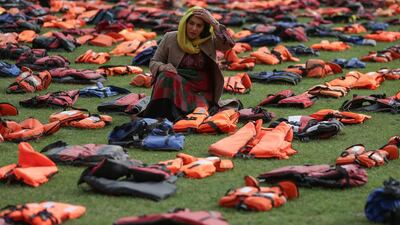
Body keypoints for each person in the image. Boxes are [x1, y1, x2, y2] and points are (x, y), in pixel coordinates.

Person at [142, 6, 235, 122]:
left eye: (199, 26)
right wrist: (163, 66)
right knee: (165, 75)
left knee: (199, 110)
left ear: (204, 28)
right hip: (178, 86)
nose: (194, 29)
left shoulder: (209, 40)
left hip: (202, 92)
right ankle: (159, 115)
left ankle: (178, 112)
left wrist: (214, 22)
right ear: (185, 23)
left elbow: (229, 44)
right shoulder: (170, 38)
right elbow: (154, 62)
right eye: (191, 23)